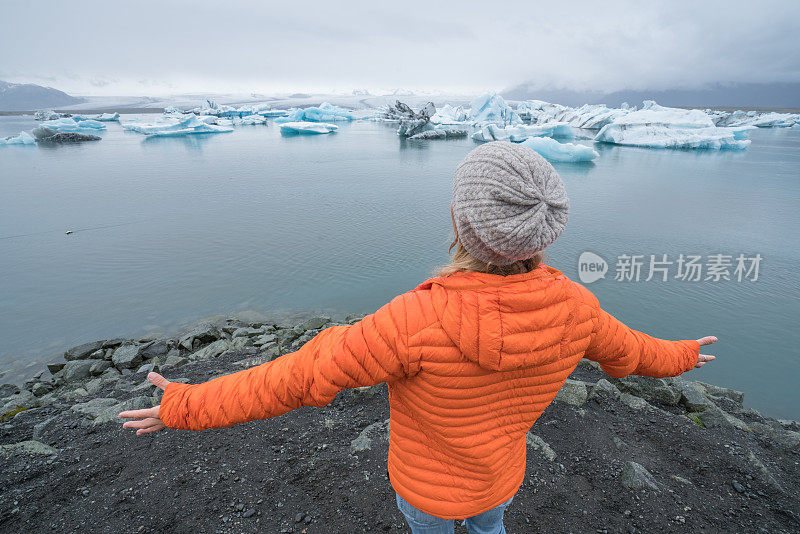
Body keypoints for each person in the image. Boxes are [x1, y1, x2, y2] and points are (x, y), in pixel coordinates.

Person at [119, 141, 717, 534]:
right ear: (545, 235)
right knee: (490, 526)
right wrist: (685, 355)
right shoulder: (577, 307)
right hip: (499, 475)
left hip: (425, 490)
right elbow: (637, 353)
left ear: (461, 224)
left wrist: (185, 405)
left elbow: (296, 379)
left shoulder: (413, 320)